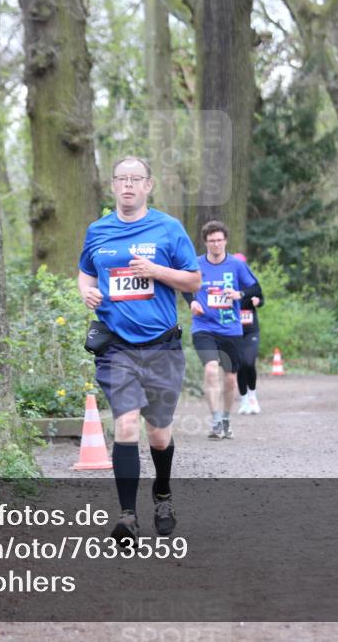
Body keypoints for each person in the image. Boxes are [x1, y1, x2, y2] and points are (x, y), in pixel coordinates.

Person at [78, 156, 201, 544]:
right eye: (122, 179)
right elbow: (85, 272)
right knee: (126, 423)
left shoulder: (168, 228)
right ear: (113, 186)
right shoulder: (98, 230)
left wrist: (156, 271)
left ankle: (162, 494)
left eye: (136, 179)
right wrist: (86, 292)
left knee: (158, 434)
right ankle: (127, 516)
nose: (128, 185)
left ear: (149, 185)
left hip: (162, 347)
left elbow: (194, 280)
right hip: (116, 348)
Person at [184, 221, 261, 439]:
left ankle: (226, 419)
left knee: (230, 378)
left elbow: (255, 288)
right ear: (205, 242)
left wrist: (240, 295)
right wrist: (192, 302)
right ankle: (216, 420)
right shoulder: (196, 264)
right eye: (212, 241)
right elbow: (185, 286)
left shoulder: (236, 265)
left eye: (219, 240)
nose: (216, 244)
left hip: (231, 329)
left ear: (225, 241)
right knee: (210, 369)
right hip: (203, 327)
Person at [232, 253, 264, 415]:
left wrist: (258, 301)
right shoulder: (228, 285)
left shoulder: (251, 283)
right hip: (233, 330)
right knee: (240, 365)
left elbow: (261, 298)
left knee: (249, 363)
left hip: (251, 330)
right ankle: (244, 399)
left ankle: (252, 397)